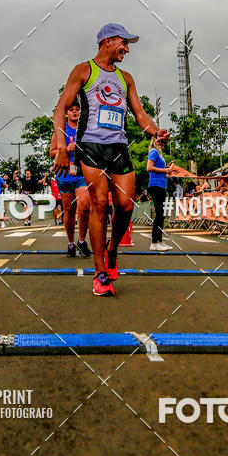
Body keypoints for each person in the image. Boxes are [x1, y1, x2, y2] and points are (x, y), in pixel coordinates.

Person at [53, 23, 169, 297]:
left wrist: (155, 131)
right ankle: (100, 273)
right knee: (100, 204)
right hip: (91, 146)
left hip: (119, 146)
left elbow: (139, 115)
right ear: (107, 41)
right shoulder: (83, 71)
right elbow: (60, 110)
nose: (126, 49)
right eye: (123, 43)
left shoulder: (126, 77)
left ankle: (112, 249)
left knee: (126, 206)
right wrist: (60, 146)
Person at [49, 100, 91, 257]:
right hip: (64, 174)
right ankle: (71, 243)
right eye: (71, 110)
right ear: (66, 113)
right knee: (69, 211)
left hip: (81, 174)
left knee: (84, 206)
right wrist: (65, 149)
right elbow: (52, 153)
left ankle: (82, 241)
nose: (75, 112)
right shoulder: (60, 131)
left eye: (77, 109)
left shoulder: (86, 130)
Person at [146, 139, 175, 251]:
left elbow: (157, 167)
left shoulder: (158, 153)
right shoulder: (153, 151)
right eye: (162, 142)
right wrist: (165, 170)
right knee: (159, 214)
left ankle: (159, 241)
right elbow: (149, 167)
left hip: (161, 185)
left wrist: (166, 167)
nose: (163, 144)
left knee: (161, 215)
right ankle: (154, 242)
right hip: (156, 185)